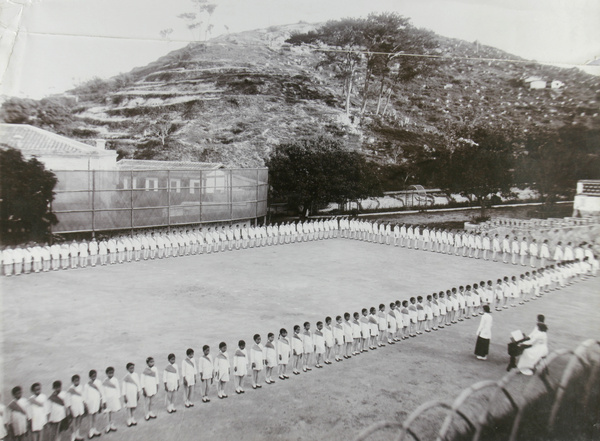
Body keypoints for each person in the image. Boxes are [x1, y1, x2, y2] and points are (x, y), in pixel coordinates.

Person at [83, 370, 103, 438]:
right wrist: (85, 404)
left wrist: (101, 402)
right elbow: (84, 395)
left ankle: (94, 429)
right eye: (92, 376)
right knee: (90, 418)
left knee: (95, 416)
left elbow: (101, 393)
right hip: (90, 403)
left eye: (95, 375)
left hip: (96, 402)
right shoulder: (87, 385)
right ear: (90, 376)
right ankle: (90, 431)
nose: (94, 377)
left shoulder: (99, 382)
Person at [102, 367, 121, 433]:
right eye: (109, 373)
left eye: (112, 373)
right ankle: (107, 425)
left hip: (113, 398)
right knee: (107, 412)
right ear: (106, 373)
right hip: (107, 399)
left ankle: (112, 424)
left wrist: (118, 398)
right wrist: (104, 401)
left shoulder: (115, 380)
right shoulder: (105, 381)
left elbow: (118, 389)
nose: (111, 374)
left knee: (113, 412)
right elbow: (103, 392)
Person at [66, 375, 85, 441]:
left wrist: (84, 404)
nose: (77, 382)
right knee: (74, 421)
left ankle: (77, 433)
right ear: (72, 381)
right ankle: (73, 435)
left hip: (80, 406)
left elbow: (83, 396)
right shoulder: (70, 389)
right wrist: (69, 408)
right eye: (75, 381)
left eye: (78, 380)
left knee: (79, 420)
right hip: (74, 407)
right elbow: (68, 400)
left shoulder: (81, 387)